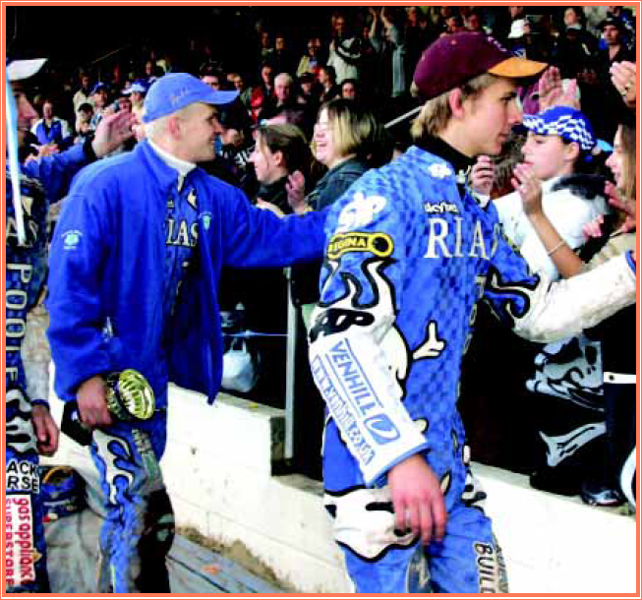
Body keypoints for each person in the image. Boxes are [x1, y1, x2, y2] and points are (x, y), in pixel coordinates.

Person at [306, 32, 636, 593]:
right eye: (506, 100)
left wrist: (630, 273)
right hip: (380, 479)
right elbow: (337, 342)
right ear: (459, 101)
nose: (518, 116)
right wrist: (398, 456)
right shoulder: (381, 197)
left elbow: (539, 313)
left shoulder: (472, 210)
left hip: (450, 474)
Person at [45, 73, 326, 594]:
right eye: (211, 117)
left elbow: (276, 238)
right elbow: (70, 286)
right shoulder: (104, 184)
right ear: (175, 123)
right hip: (111, 380)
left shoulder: (211, 195)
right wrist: (84, 374)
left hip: (152, 385)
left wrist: (359, 217)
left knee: (140, 518)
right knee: (146, 512)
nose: (221, 128)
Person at [5, 57, 134, 594]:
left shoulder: (24, 189)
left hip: (13, 410)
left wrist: (36, 399)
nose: (32, 111)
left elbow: (34, 309)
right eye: (18, 97)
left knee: (18, 527)